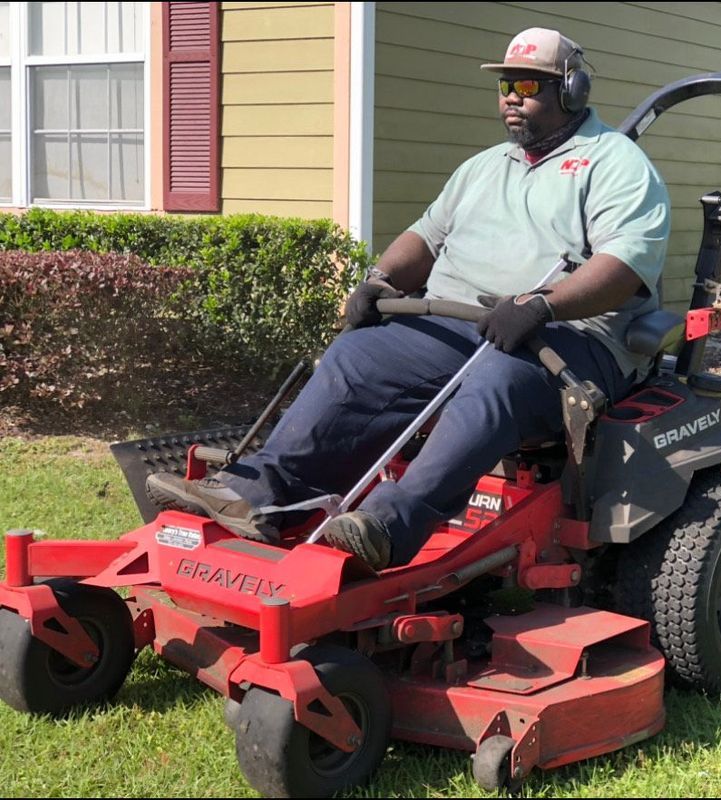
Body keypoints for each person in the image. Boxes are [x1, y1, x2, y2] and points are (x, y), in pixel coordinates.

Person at [146, 28, 670, 571]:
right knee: (359, 356)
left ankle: (387, 526)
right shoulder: (483, 167)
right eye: (504, 86)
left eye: (527, 84)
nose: (511, 96)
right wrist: (379, 280)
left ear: (572, 90)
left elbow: (624, 267)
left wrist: (544, 304)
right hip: (465, 323)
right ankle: (260, 492)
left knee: (497, 379)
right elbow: (425, 237)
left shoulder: (616, 164)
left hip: (570, 337)